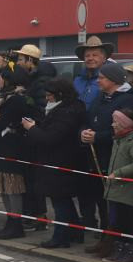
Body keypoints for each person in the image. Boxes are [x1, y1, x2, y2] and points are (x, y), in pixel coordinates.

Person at [80, 61, 133, 258]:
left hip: (116, 155)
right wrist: (85, 132)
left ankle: (119, 242)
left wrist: (99, 136)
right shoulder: (101, 97)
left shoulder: (128, 100)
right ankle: (106, 238)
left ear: (113, 80)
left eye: (102, 78)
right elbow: (90, 119)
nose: (98, 80)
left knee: (118, 205)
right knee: (102, 200)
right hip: (97, 154)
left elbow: (124, 128)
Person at [22, 78, 86, 247]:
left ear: (60, 95)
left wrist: (32, 129)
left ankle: (61, 237)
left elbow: (51, 137)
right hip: (56, 161)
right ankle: (76, 231)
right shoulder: (64, 109)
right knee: (62, 200)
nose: (47, 99)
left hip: (61, 162)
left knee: (60, 201)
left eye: (50, 95)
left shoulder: (67, 112)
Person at [0, 67, 34, 239]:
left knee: (12, 188)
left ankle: (16, 224)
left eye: (0, 78)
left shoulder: (16, 100)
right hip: (0, 147)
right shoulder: (2, 99)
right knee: (3, 188)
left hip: (12, 150)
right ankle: (9, 222)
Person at [102, 108, 133, 262]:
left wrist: (119, 173)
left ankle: (131, 251)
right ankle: (119, 248)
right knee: (118, 221)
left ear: (124, 124)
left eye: (116, 122)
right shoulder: (118, 140)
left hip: (129, 191)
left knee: (130, 222)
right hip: (117, 190)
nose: (112, 124)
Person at [73, 36, 114, 111]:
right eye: (87, 55)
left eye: (95, 55)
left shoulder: (110, 80)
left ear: (104, 58)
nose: (90, 58)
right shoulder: (78, 80)